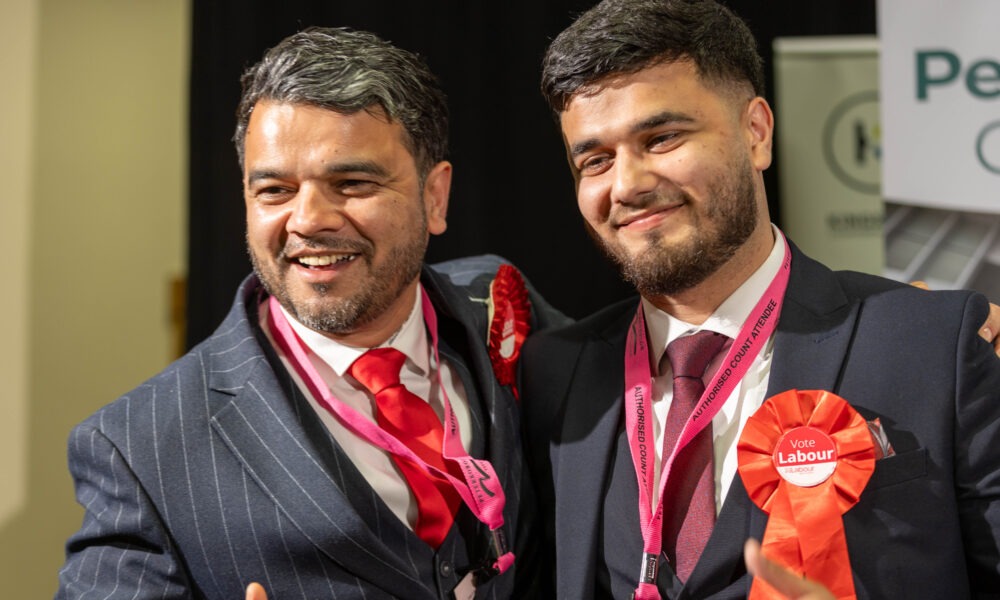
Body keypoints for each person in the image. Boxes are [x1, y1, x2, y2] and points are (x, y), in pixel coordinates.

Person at [55, 27, 566, 600]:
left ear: (435, 196)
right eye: (275, 190)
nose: (308, 219)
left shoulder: (501, 302)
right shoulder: (140, 445)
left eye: (351, 182)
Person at [521, 0, 1000, 598]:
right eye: (596, 159)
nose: (628, 184)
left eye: (663, 137)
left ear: (756, 133)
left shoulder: (933, 341)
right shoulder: (554, 373)